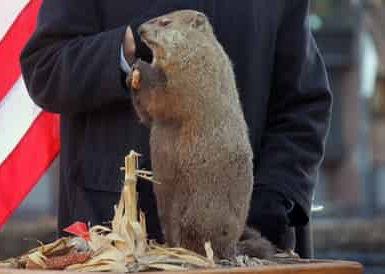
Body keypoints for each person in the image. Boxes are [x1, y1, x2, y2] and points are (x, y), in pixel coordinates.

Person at [20, 0, 332, 258]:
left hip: (249, 242)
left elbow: (304, 104)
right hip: (117, 241)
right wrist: (129, 45)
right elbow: (45, 69)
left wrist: (277, 194)